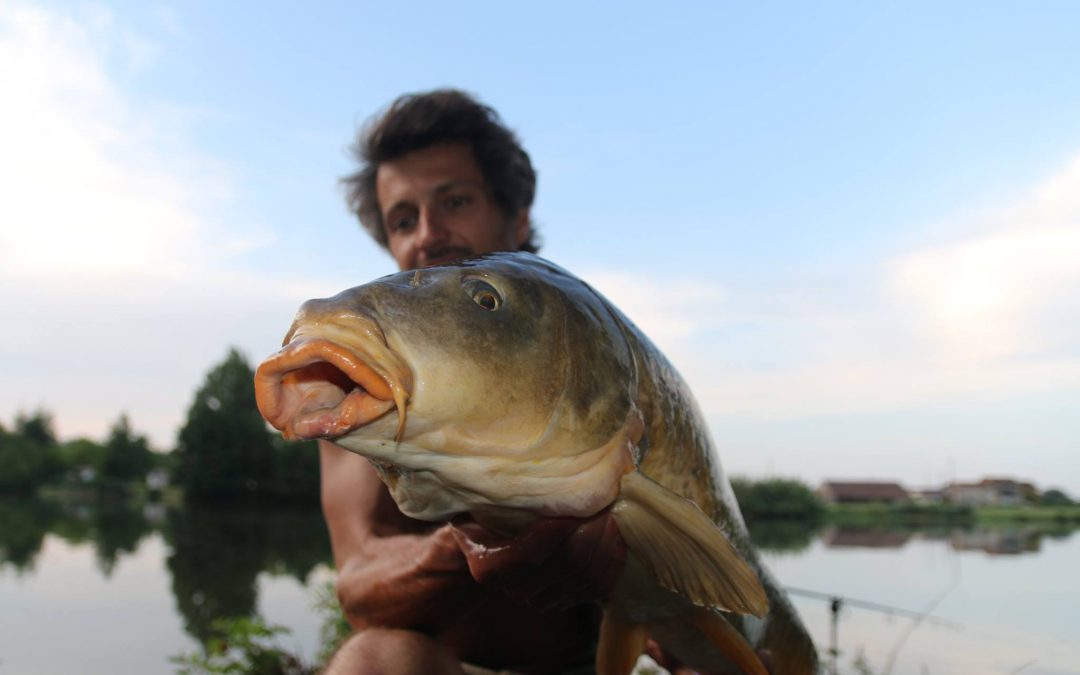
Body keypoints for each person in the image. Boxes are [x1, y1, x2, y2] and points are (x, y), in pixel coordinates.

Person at [321, 89, 627, 675]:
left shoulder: (591, 350)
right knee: (377, 658)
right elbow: (357, 583)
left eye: (455, 201)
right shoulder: (362, 378)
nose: (428, 234)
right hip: (440, 665)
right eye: (403, 219)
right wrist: (475, 536)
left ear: (517, 218)